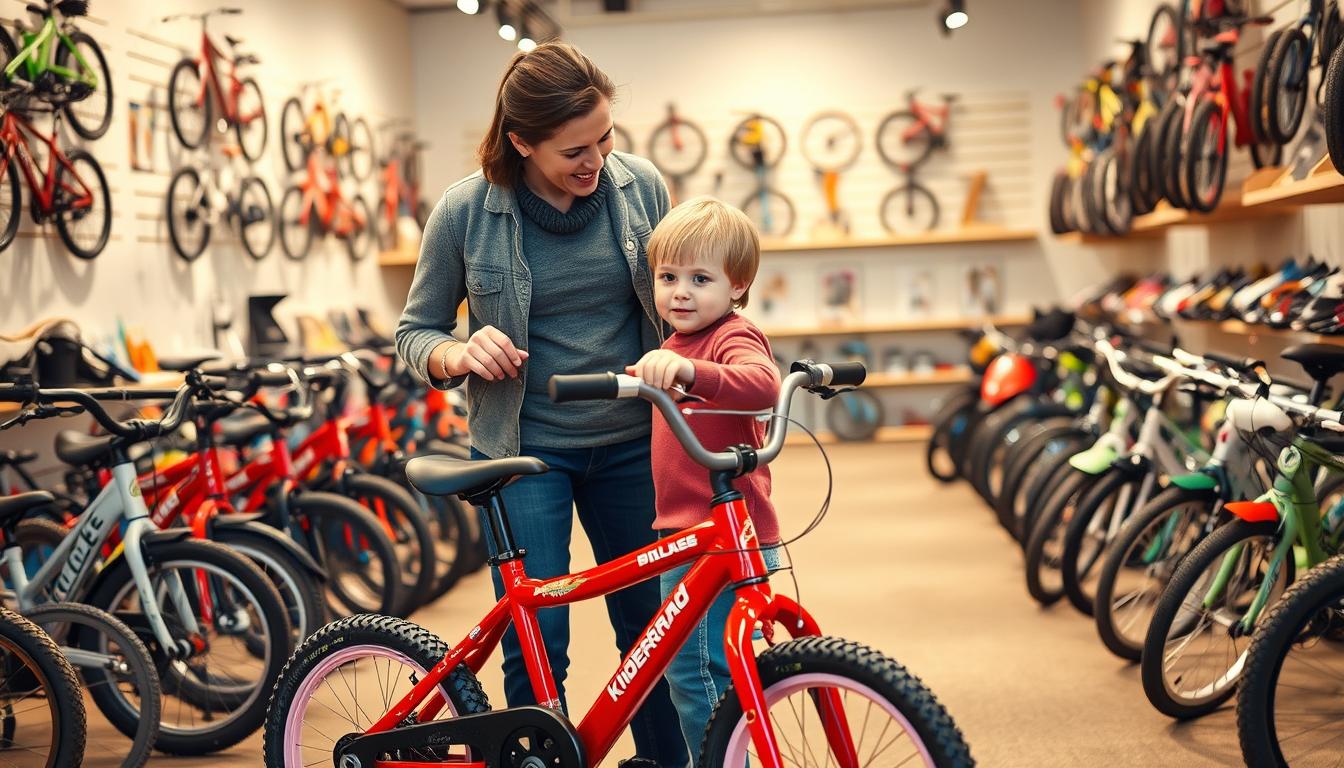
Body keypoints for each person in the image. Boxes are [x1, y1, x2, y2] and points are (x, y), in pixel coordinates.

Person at [394, 42, 686, 768]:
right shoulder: (466, 210)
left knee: (653, 629)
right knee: (539, 637)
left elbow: (685, 303)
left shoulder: (641, 188)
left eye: (606, 138)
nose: (596, 162)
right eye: (573, 151)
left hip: (632, 444)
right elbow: (414, 331)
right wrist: (457, 354)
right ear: (521, 141)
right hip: (525, 449)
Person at [625, 197, 783, 762]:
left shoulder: (729, 337)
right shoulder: (673, 344)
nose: (681, 292)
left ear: (737, 286)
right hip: (692, 534)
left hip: (717, 535)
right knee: (717, 664)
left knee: (695, 674)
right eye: (668, 277)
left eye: (700, 278)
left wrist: (692, 372)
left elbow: (762, 383)